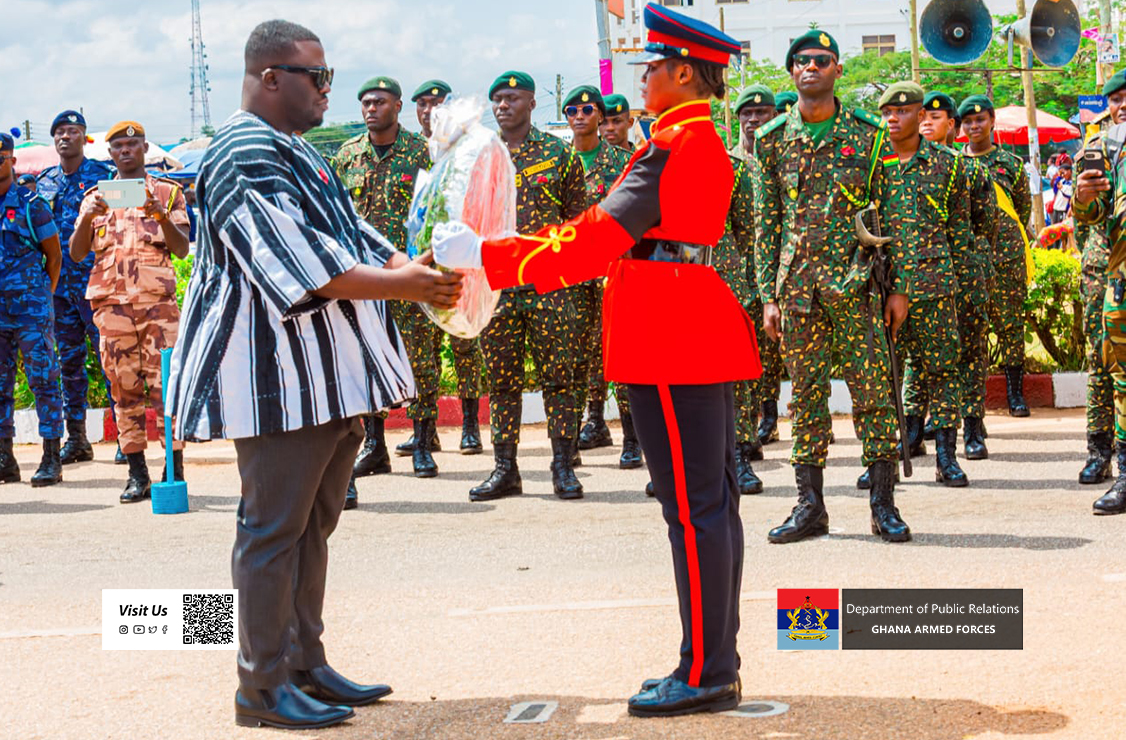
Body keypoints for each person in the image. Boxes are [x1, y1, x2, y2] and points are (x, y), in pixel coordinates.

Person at [434, 2, 755, 716]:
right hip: (680, 315)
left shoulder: (674, 144)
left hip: (670, 328)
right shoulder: (682, 139)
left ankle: (705, 670)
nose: (642, 78)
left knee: (696, 509)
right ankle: (711, 659)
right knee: (708, 505)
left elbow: (591, 241)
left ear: (682, 72)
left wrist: (486, 257)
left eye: (652, 67)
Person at [167, 20, 462, 730]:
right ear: (271, 78)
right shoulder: (242, 152)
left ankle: (305, 663)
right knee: (272, 532)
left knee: (311, 529)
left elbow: (350, 234)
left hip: (325, 375)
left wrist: (409, 267)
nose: (329, 89)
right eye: (316, 77)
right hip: (274, 381)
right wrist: (411, 287)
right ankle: (261, 689)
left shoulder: (294, 150)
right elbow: (303, 264)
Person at [753, 29, 915, 544]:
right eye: (802, 61)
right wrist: (769, 297)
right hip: (798, 292)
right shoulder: (773, 138)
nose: (811, 68)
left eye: (822, 60)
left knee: (874, 397)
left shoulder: (868, 136)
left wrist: (899, 288)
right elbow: (766, 222)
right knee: (806, 396)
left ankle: (883, 506)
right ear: (791, 72)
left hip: (856, 286)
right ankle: (810, 505)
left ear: (838, 70)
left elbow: (894, 217)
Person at [469, 70, 588, 502]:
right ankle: (505, 468)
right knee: (502, 381)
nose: (504, 105)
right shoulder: (480, 157)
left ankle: (562, 465)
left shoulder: (560, 155)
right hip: (499, 284)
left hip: (550, 287)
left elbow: (579, 221)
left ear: (532, 104)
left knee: (560, 379)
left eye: (512, 98)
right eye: (497, 98)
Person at [70, 121, 190, 503]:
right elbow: (75, 253)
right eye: (119, 146)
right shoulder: (95, 198)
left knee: (166, 391)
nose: (125, 151)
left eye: (132, 144)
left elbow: (183, 247)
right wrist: (88, 216)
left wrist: (158, 214)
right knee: (124, 390)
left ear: (144, 148)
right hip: (113, 309)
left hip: (158, 309)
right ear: (110, 154)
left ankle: (174, 470)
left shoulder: (167, 194)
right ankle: (137, 473)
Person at [334, 75, 437, 499]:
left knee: (419, 354)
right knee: (364, 358)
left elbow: (436, 210)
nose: (370, 108)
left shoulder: (422, 154)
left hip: (410, 270)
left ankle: (423, 441)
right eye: (365, 102)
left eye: (379, 101)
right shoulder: (346, 155)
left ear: (397, 106)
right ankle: (374, 444)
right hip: (363, 275)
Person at [876, 81, 982, 487]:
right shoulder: (873, 164)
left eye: (902, 112)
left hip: (935, 283)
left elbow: (960, 229)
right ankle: (883, 460)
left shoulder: (949, 164)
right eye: (887, 112)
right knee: (883, 375)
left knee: (943, 371)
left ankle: (947, 457)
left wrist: (967, 284)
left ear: (921, 116)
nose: (893, 118)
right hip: (884, 288)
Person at [915, 91, 999, 462]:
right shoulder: (897, 168)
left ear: (952, 126)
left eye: (937, 118)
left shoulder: (970, 169)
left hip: (962, 275)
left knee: (969, 354)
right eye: (923, 117)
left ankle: (972, 429)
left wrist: (970, 262)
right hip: (920, 278)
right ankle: (913, 430)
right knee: (918, 357)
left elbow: (987, 224)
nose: (927, 123)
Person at [564, 85, 641, 469]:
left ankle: (632, 438)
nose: (581, 116)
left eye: (588, 110)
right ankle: (577, 433)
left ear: (598, 115)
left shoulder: (621, 162)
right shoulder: (558, 161)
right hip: (575, 272)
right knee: (577, 355)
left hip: (614, 269)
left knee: (621, 353)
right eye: (573, 110)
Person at [35, 110, 118, 465]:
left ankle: (124, 437)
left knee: (109, 361)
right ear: (54, 140)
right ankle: (78, 438)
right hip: (59, 290)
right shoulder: (44, 183)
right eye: (60, 132)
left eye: (73, 131)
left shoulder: (103, 178)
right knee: (68, 363)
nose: (65, 137)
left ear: (85, 139)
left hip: (95, 285)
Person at [410, 78, 485, 456]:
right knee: (420, 354)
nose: (429, 111)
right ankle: (425, 430)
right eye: (422, 104)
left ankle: (470, 426)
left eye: (436, 104)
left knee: (465, 347)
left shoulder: (467, 152)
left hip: (460, 265)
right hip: (418, 267)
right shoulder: (408, 151)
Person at [960, 94, 1033, 417]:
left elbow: (1022, 209)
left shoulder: (1011, 165)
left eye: (980, 119)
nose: (975, 125)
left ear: (991, 121)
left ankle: (1015, 394)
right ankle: (968, 403)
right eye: (968, 121)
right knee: (968, 330)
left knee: (1011, 326)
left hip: (1006, 259)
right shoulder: (953, 163)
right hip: (968, 261)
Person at [0, 131, 64, 487]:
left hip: (31, 310)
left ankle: (51, 456)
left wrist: (43, 298)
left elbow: (54, 256)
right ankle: (5, 458)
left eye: (1, 158)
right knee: (0, 385)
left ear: (11, 160)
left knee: (43, 380)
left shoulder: (31, 204)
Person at [1072, 71, 1126, 486]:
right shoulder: (1097, 147)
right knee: (1101, 359)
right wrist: (1084, 199)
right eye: (1115, 100)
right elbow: (1088, 217)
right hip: (1103, 268)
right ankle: (1099, 450)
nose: (1122, 106)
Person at [732, 85, 785, 451]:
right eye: (747, 115)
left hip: (781, 270)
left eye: (761, 113)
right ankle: (747, 428)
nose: (754, 120)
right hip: (738, 272)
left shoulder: (784, 161)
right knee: (742, 353)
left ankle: (770, 415)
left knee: (771, 351)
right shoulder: (728, 163)